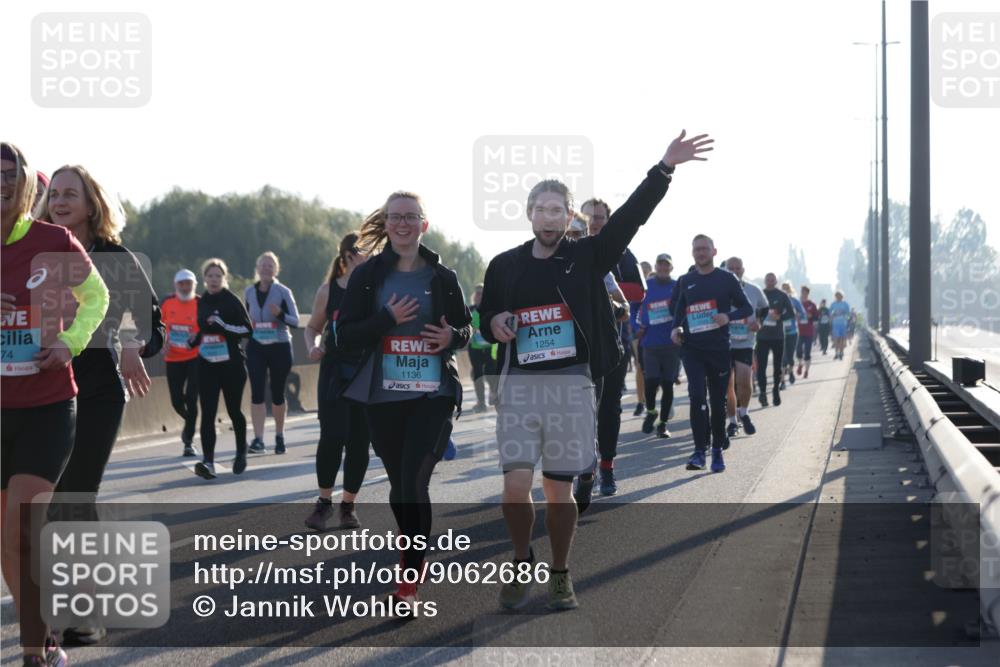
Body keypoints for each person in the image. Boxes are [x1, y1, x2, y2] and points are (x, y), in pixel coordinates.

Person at [479, 129, 714, 610]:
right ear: (528, 214)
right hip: (520, 386)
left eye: (557, 210)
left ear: (571, 218)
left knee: (558, 493)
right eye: (540, 209)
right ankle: (522, 561)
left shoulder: (587, 256)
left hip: (570, 385)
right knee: (514, 488)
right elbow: (487, 317)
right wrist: (495, 322)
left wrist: (663, 169)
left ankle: (560, 572)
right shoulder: (503, 265)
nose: (548, 217)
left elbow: (631, 218)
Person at [37, 164, 164, 645]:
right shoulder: (35, 252)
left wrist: (131, 341)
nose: (62, 201)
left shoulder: (114, 256)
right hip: (40, 389)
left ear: (92, 203)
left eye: (73, 194)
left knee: (76, 495)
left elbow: (151, 323)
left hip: (95, 392)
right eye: (57, 194)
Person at [2, 142, 110, 667]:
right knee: (8, 542)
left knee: (26, 525)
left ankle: (34, 653)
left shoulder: (55, 242)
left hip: (50, 402)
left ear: (25, 184)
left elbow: (100, 298)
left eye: (9, 175)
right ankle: (39, 636)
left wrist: (70, 341)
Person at [337, 192, 471, 612]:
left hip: (433, 393)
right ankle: (413, 551)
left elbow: (466, 328)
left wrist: (452, 338)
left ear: (423, 225)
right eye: (395, 217)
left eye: (411, 217)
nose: (402, 224)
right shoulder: (368, 275)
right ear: (387, 222)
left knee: (414, 481)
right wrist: (386, 320)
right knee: (399, 487)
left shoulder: (443, 275)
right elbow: (345, 336)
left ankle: (408, 579)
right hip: (383, 394)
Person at [303, 233, 370, 530]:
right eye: (358, 253)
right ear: (345, 257)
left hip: (366, 370)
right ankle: (324, 503)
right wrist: (313, 345)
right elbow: (313, 327)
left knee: (359, 441)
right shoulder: (328, 290)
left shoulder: (375, 289)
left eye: (367, 253)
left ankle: (348, 505)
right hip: (334, 370)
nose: (363, 258)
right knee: (331, 436)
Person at [582, 196, 647, 495]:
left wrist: (602, 295)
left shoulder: (621, 252)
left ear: (609, 222)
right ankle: (584, 466)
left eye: (600, 218)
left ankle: (606, 466)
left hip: (613, 342)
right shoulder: (567, 252)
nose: (594, 222)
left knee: (609, 407)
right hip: (576, 347)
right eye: (588, 217)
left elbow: (638, 293)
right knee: (578, 410)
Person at [670, 235, 752, 472]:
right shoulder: (685, 280)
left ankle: (716, 450)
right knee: (697, 397)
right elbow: (677, 310)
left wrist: (728, 317)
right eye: (697, 249)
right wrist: (675, 328)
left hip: (718, 349)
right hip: (692, 349)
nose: (701, 252)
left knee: (718, 402)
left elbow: (746, 307)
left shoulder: (727, 279)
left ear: (714, 252)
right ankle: (698, 452)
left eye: (705, 248)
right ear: (692, 252)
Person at [189, 258, 253, 479]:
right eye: (210, 276)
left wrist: (223, 326)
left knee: (234, 410)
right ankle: (208, 462)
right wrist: (194, 340)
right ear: (204, 279)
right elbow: (204, 329)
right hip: (207, 365)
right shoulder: (201, 301)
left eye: (218, 276)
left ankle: (241, 452)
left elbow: (247, 330)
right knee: (208, 413)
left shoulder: (231, 301)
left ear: (224, 278)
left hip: (232, 365)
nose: (214, 280)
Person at [244, 251, 300, 455]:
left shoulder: (283, 291)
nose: (266, 269)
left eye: (270, 266)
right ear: (257, 269)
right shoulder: (249, 292)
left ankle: (279, 435)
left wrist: (280, 314)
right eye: (263, 265)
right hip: (257, 346)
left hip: (279, 346)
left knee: (277, 393)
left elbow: (295, 321)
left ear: (276, 269)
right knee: (257, 392)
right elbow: (245, 317)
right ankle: (258, 439)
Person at [722, 257, 767, 438]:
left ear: (743, 270)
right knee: (728, 385)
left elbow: (764, 307)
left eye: (737, 268)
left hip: (745, 341)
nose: (734, 271)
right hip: (724, 342)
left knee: (744, 381)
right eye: (730, 268)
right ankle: (732, 421)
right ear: (725, 269)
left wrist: (759, 322)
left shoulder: (753, 289)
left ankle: (744, 412)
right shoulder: (718, 289)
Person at [636, 253, 680, 438]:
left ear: (671, 267)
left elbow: (684, 308)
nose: (663, 268)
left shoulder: (677, 286)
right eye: (660, 265)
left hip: (671, 344)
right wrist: (636, 325)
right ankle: (651, 411)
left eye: (666, 265)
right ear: (656, 266)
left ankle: (663, 424)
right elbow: (634, 307)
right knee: (651, 381)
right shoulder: (647, 286)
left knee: (668, 385)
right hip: (650, 343)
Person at [161, 269, 201, 456]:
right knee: (177, 401)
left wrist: (198, 336)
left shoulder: (200, 303)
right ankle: (191, 420)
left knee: (192, 398)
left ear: (194, 285)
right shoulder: (167, 303)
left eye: (189, 284)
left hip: (195, 357)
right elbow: (156, 326)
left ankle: (188, 440)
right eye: (182, 284)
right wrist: (162, 343)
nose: (185, 287)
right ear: (175, 286)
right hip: (173, 358)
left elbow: (209, 327)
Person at [755, 273, 796, 407]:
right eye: (768, 280)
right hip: (762, 336)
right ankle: (762, 393)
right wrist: (761, 316)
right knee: (761, 367)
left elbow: (791, 313)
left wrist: (779, 316)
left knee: (778, 367)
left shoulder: (782, 295)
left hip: (777, 337)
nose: (770, 282)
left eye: (772, 280)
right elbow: (752, 310)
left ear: (776, 281)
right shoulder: (760, 294)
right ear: (765, 281)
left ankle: (775, 391)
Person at [468, 283, 498, 412]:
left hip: (490, 347)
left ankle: (494, 395)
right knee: (477, 374)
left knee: (491, 373)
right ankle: (481, 402)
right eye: (477, 293)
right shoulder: (470, 309)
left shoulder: (492, 308)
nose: (478, 296)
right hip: (475, 348)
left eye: (481, 293)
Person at [779, 281, 805, 389]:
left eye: (787, 288)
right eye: (783, 288)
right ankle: (782, 381)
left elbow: (802, 313)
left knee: (790, 356)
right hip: (780, 332)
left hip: (793, 332)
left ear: (790, 289)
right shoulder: (778, 301)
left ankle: (790, 373)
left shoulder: (794, 301)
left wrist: (795, 316)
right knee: (782, 357)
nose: (785, 290)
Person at [795, 285, 819, 378]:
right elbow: (791, 314)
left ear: (807, 293)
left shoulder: (811, 304)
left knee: (807, 352)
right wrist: (796, 315)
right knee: (798, 352)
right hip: (798, 331)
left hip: (808, 331)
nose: (803, 294)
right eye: (802, 292)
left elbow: (817, 317)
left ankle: (806, 371)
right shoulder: (797, 304)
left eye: (805, 292)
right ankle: (800, 364)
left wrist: (811, 316)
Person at [829, 292, 851, 360]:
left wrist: (845, 316)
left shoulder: (845, 304)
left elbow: (848, 314)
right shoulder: (833, 304)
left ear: (842, 296)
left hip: (843, 324)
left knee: (842, 339)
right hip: (835, 324)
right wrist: (833, 315)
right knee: (836, 339)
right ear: (835, 296)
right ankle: (836, 353)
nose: (839, 297)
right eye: (837, 296)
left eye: (840, 296)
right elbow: (830, 313)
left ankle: (841, 352)